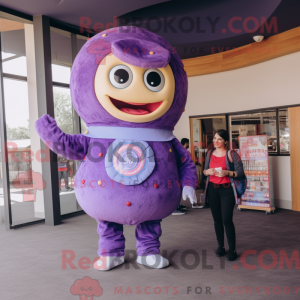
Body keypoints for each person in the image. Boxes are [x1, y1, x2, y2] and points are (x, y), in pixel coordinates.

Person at [202, 129, 245, 261]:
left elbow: (240, 173)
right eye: (214, 138)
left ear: (225, 141)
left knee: (227, 219)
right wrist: (207, 172)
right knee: (217, 220)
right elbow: (204, 171)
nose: (215, 141)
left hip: (227, 190)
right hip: (213, 189)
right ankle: (221, 247)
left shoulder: (232, 154)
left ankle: (232, 250)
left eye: (219, 139)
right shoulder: (210, 153)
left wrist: (227, 172)